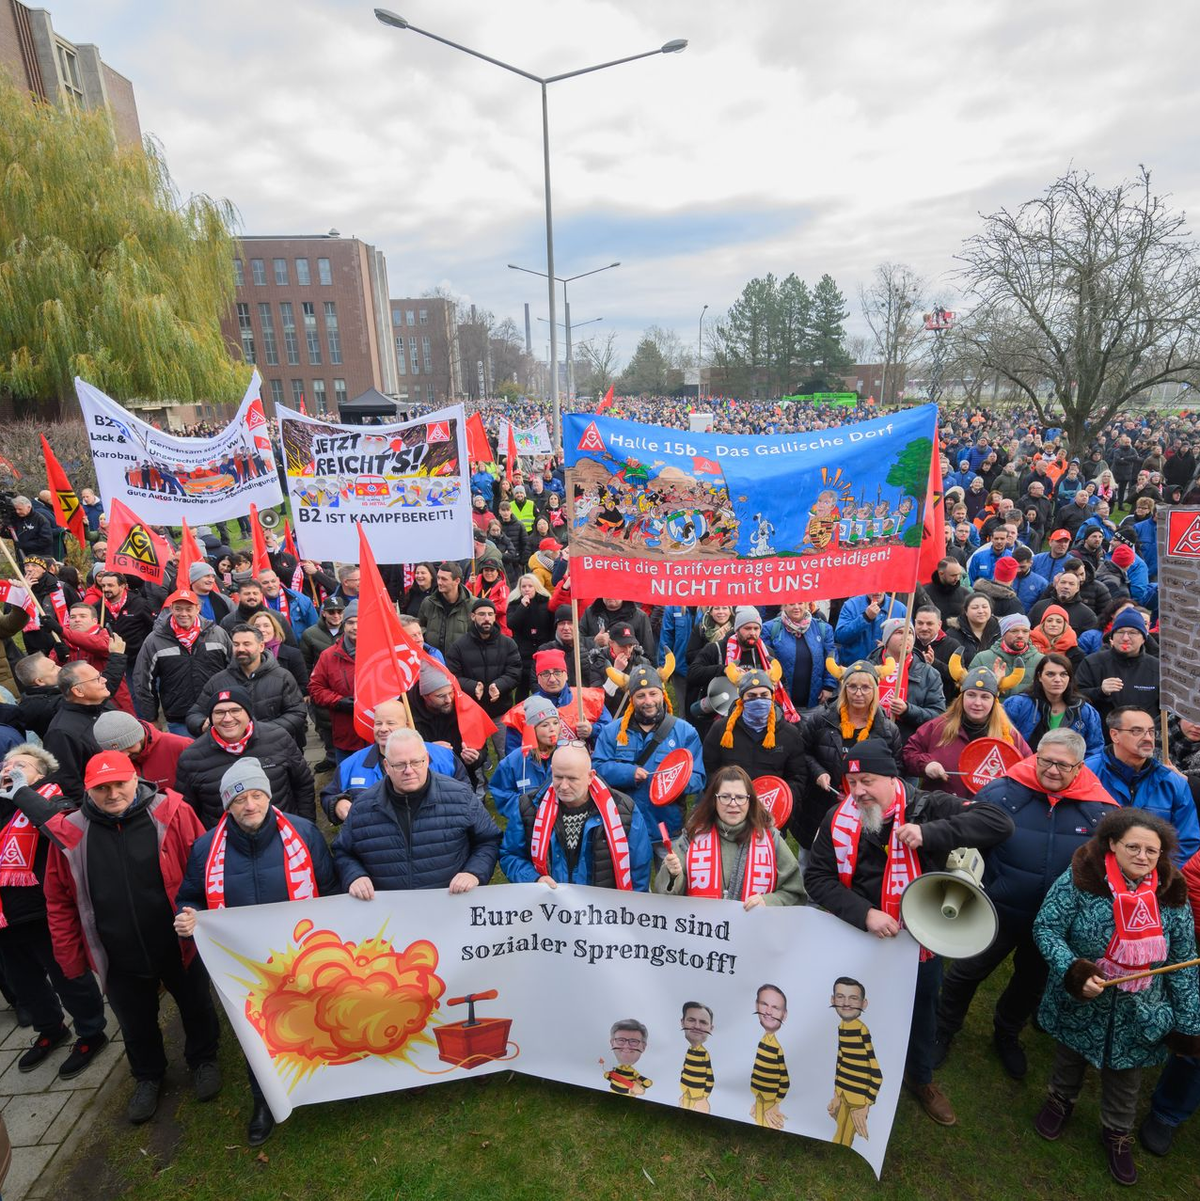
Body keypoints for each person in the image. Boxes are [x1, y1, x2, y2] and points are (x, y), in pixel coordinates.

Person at [806, 740, 1014, 1127]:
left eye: (867, 780)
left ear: (891, 776)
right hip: (859, 933)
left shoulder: (929, 805)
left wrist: (930, 833)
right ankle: (837, 1071)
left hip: (920, 939)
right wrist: (865, 913)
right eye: (851, 782)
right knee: (849, 1005)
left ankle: (921, 1078)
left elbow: (999, 823)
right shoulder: (837, 817)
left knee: (922, 1008)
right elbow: (817, 878)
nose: (859, 792)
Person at [43, 750, 221, 1124]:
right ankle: (148, 1075)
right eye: (101, 788)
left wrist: (208, 921)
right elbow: (58, 898)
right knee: (135, 1022)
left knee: (196, 1005)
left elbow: (207, 866)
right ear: (88, 790)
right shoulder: (71, 831)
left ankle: (204, 1059)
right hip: (116, 951)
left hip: (177, 943)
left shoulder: (172, 812)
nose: (112, 794)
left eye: (119, 784)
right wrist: (69, 956)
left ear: (135, 778)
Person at [934, 730, 1120, 1080]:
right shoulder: (1001, 793)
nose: (1051, 769)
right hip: (996, 911)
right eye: (1044, 760)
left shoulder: (1102, 813)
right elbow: (971, 844)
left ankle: (1007, 1034)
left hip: (1050, 927)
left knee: (1029, 985)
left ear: (1079, 767)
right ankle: (943, 1028)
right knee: (965, 972)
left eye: (1062, 765)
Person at [174, 758, 339, 1146]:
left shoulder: (305, 833)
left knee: (318, 1021)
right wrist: (187, 918)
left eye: (257, 795)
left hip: (303, 954)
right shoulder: (204, 850)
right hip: (243, 965)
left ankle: (325, 1085)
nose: (250, 805)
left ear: (268, 795)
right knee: (257, 1033)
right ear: (226, 807)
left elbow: (330, 888)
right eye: (240, 800)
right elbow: (190, 897)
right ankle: (263, 1100)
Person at [1032, 810, 1200, 1186]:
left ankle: (1117, 1132)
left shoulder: (1172, 894)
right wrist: (1074, 970)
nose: (1142, 857)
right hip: (1082, 998)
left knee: (1126, 1076)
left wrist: (1189, 1026)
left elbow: (1183, 960)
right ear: (1112, 843)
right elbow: (1047, 927)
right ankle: (1060, 1100)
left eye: (1151, 852)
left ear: (1162, 855)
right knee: (1070, 1055)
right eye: (1134, 847)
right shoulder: (1083, 877)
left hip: (1139, 1010)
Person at [0, 747, 109, 1079]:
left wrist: (20, 793)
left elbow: (60, 831)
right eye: (6, 764)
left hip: (42, 912)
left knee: (67, 976)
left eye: (20, 765)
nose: (9, 767)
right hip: (6, 918)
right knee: (25, 982)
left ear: (40, 773)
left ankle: (91, 1032)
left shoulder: (55, 798)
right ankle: (51, 1027)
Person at [334, 728, 501, 896]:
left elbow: (488, 840)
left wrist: (473, 872)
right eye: (399, 765)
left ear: (427, 759)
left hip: (451, 907)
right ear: (386, 766)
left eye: (416, 762)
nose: (409, 770)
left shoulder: (461, 797)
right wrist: (355, 876)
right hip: (387, 914)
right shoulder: (363, 806)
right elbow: (342, 852)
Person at [500, 742, 652, 890]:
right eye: (558, 777)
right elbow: (510, 856)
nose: (564, 786)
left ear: (590, 776)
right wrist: (534, 878)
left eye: (572, 779)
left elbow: (639, 867)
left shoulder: (623, 809)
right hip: (550, 908)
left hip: (602, 910)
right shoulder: (529, 807)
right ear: (551, 771)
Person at [593, 660, 705, 851]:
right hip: (624, 824)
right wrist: (629, 773)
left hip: (668, 825)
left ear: (662, 694)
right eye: (641, 696)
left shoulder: (685, 732)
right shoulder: (612, 732)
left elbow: (698, 778)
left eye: (653, 694)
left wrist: (671, 783)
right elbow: (597, 769)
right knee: (631, 881)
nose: (648, 701)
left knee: (670, 879)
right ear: (631, 698)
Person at [654, 765, 805, 906]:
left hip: (754, 929)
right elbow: (665, 895)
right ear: (714, 800)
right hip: (704, 929)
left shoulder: (770, 839)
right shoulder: (693, 835)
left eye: (740, 797)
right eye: (725, 797)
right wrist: (673, 875)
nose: (733, 803)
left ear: (750, 800)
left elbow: (794, 892)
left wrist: (769, 901)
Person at [800, 661, 902, 854]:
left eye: (865, 687)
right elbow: (803, 752)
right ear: (843, 688)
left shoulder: (888, 730)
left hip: (867, 808)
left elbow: (896, 771)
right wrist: (818, 772)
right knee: (813, 858)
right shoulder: (821, 719)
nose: (858, 693)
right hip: (822, 804)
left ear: (875, 690)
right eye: (852, 686)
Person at [174, 688, 315, 829]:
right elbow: (187, 812)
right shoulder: (191, 758)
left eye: (235, 710)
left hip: (282, 832)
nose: (227, 718)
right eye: (219, 713)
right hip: (226, 844)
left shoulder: (278, 738)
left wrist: (305, 827)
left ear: (248, 713)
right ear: (210, 718)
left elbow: (303, 785)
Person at [702, 668, 808, 849]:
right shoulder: (720, 730)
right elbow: (710, 770)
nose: (758, 700)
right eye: (752, 696)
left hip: (771, 817)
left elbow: (798, 777)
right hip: (729, 813)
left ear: (772, 696)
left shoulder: (790, 734)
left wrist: (781, 802)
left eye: (764, 695)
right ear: (742, 699)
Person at [1085, 707, 1200, 864]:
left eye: (1151, 732)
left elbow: (1186, 841)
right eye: (1136, 731)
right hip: (1095, 876)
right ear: (1114, 735)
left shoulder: (1173, 782)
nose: (1147, 738)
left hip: (1152, 882)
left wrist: (1159, 876)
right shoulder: (1086, 773)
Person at [319, 698, 463, 825]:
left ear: (407, 725)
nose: (383, 729)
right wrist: (337, 804)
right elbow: (329, 795)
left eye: (390, 723)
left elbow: (464, 792)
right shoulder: (351, 765)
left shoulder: (443, 758)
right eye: (378, 723)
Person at [902, 668, 1031, 798]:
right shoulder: (938, 727)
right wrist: (927, 765)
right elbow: (909, 753)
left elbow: (1029, 769)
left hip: (987, 813)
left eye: (985, 697)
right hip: (941, 809)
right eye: (971, 695)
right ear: (962, 697)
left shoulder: (1009, 735)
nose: (977, 703)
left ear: (994, 701)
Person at [186, 623, 307, 746]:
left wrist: (262, 731)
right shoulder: (217, 681)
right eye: (236, 644)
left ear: (261, 646)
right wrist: (202, 724)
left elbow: (297, 713)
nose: (240, 649)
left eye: (247, 644)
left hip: (275, 747)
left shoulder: (282, 677)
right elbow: (194, 714)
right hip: (231, 753)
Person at [133, 589, 233, 737]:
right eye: (178, 609)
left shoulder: (217, 634)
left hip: (218, 713)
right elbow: (143, 681)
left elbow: (234, 670)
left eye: (189, 609)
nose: (183, 613)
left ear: (198, 608)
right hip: (180, 719)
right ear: (171, 608)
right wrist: (151, 718)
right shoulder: (155, 640)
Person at [445, 598, 522, 745]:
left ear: (494, 617)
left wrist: (499, 685)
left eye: (490, 614)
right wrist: (472, 686)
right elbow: (452, 676)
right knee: (474, 755)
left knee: (505, 752)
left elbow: (514, 672)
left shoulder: (508, 643)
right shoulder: (458, 646)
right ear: (473, 616)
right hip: (472, 710)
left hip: (500, 710)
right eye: (481, 614)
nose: (486, 618)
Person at [501, 649, 608, 752]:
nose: (552, 679)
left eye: (557, 672)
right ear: (538, 678)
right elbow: (514, 754)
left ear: (566, 675)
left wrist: (592, 730)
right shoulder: (522, 713)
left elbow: (609, 730)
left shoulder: (590, 699)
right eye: (545, 674)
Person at [1002, 653, 1105, 757]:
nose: (1057, 680)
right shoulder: (1017, 705)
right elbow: (1002, 741)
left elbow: (1094, 751)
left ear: (1070, 678)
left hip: (1069, 771)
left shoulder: (1085, 711)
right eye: (1050, 674)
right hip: (1023, 769)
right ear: (1039, 677)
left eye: (1063, 674)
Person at [43, 660, 118, 798]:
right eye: (97, 679)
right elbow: (69, 785)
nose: (104, 679)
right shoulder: (61, 734)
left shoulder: (104, 705)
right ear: (78, 691)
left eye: (100, 675)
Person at [1075, 609, 1159, 721]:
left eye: (1133, 633)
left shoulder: (1156, 668)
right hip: (1102, 735)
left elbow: (1166, 710)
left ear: (1144, 638)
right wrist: (1100, 691)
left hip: (1144, 735)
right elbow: (1075, 697)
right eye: (1120, 632)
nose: (1125, 638)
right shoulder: (1093, 663)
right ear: (1112, 637)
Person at [308, 602, 366, 764]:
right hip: (346, 735)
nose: (355, 627)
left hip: (377, 734)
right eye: (350, 622)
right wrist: (338, 701)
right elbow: (315, 688)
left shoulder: (380, 652)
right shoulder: (328, 656)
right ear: (343, 624)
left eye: (359, 621)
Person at [828, 977, 883, 1148]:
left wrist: (866, 1105)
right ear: (832, 1000)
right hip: (844, 1093)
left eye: (853, 998)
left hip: (859, 1098)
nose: (846, 1003)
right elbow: (841, 1061)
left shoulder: (861, 1030)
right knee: (839, 1132)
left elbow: (876, 1073)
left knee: (846, 1136)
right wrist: (837, 1095)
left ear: (864, 1003)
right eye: (840, 997)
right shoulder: (842, 1027)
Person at [489, 696, 561, 824]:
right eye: (545, 725)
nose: (552, 729)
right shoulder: (514, 761)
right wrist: (524, 809)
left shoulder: (567, 753)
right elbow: (501, 793)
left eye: (556, 723)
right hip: (527, 826)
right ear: (532, 729)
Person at [93, 710, 191, 796]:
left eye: (129, 746)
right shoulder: (104, 762)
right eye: (117, 752)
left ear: (140, 736)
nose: (125, 755)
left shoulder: (181, 746)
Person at [762, 601, 836, 714]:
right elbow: (764, 662)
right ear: (784, 605)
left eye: (800, 603)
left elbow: (831, 658)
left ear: (806, 605)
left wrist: (828, 686)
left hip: (814, 703)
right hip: (782, 703)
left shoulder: (823, 628)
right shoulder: (770, 628)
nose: (796, 607)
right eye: (791, 604)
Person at [964, 612, 1040, 694]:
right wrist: (995, 683)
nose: (1020, 635)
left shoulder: (1041, 660)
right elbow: (970, 692)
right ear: (1003, 634)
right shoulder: (982, 658)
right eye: (1014, 631)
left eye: (1025, 631)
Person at [418, 562, 473, 655]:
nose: (439, 582)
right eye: (438, 578)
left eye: (444, 579)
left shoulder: (472, 604)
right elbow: (420, 626)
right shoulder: (428, 603)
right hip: (433, 661)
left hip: (460, 662)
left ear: (457, 581)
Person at [834, 593, 907, 663]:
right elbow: (840, 637)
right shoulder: (851, 605)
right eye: (874, 586)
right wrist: (865, 617)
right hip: (855, 669)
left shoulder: (900, 609)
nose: (877, 592)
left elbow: (908, 642)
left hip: (886, 670)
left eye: (881, 586)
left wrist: (890, 646)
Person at [256, 569, 318, 641]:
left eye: (273, 581)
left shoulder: (300, 599)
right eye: (265, 583)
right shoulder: (254, 603)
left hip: (298, 648)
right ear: (258, 585)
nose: (270, 585)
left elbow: (314, 627)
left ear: (278, 580)